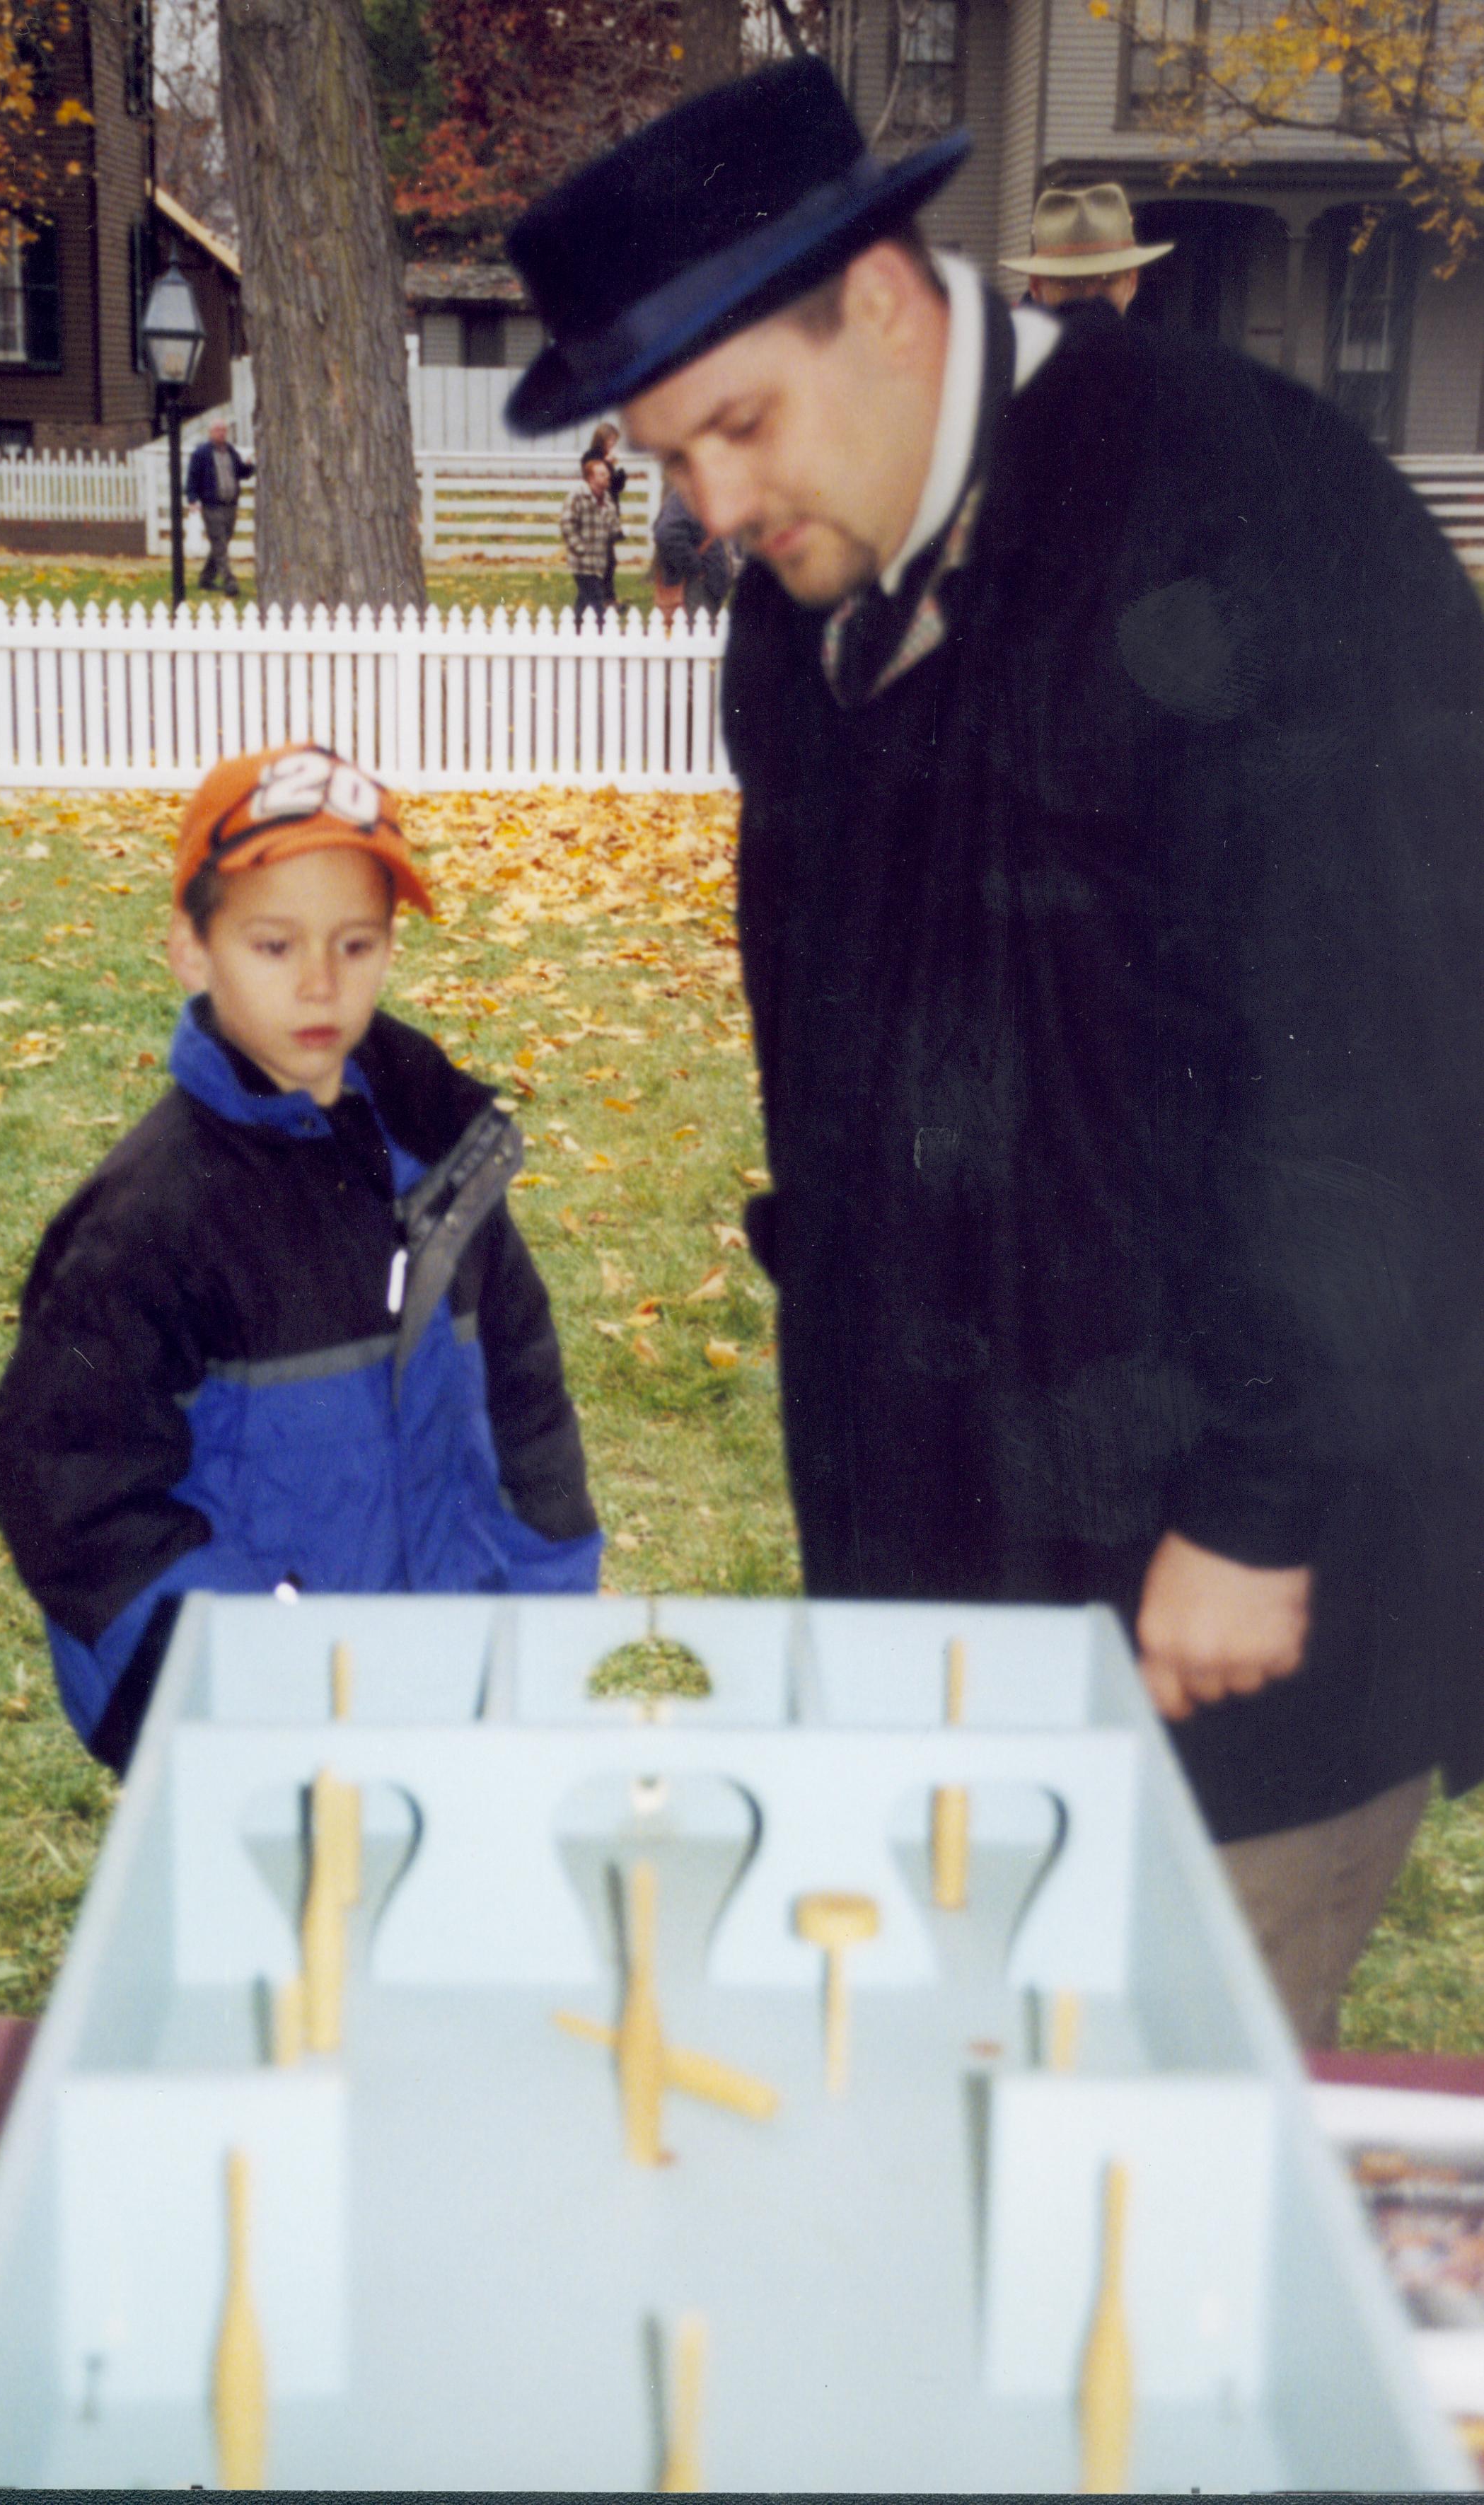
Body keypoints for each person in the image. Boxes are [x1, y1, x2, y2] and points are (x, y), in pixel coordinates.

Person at [503, 59, 1483, 2045]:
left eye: (734, 427)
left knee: (1146, 2194)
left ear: (877, 296)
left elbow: (1388, 1080)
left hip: (1240, 1600)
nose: (707, 508)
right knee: (970, 2113)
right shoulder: (805, 594)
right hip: (951, 1582)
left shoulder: (1248, 515)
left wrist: (1256, 1502)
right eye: (663, 454)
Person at [0, 743, 602, 1772]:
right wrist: (246, 1680)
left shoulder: (443, 1161)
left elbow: (526, 1404)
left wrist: (543, 1619)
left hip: (457, 1690)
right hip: (258, 1729)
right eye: (274, 946)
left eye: (356, 944)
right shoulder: (148, 1222)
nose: (320, 981)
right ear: (192, 947)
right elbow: (72, 1486)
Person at [999, 183, 1172, 315]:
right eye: (1069, 282)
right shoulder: (1007, 357)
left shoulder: (1145, 359)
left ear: (1132, 283)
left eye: (1108, 280)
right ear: (1036, 286)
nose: (1090, 296)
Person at [185, 417, 255, 598]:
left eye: (224, 430)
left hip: (230, 505)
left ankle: (206, 579)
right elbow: (192, 478)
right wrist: (192, 500)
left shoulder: (231, 451)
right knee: (220, 543)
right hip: (212, 506)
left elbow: (240, 473)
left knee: (221, 543)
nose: (221, 433)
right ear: (210, 432)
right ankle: (230, 582)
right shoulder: (201, 453)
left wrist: (249, 467)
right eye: (218, 430)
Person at [651, 485, 734, 620]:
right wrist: (696, 567)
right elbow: (666, 534)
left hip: (704, 586)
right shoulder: (686, 496)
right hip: (695, 588)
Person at [561, 451, 624, 626]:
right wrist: (580, 549)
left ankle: (575, 631)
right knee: (597, 602)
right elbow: (567, 524)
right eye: (602, 474)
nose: (607, 476)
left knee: (583, 602)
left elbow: (612, 525)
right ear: (590, 478)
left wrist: (619, 531)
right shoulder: (577, 496)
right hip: (582, 563)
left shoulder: (608, 499)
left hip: (599, 562)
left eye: (607, 473)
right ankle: (602, 633)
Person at [584, 420, 629, 604]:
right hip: (597, 513)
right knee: (607, 560)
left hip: (610, 512)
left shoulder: (606, 457)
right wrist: (607, 464)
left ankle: (606, 598)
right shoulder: (591, 457)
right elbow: (596, 480)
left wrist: (619, 471)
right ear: (601, 439)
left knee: (609, 559)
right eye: (610, 440)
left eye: (614, 441)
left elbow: (616, 486)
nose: (612, 445)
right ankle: (605, 599)